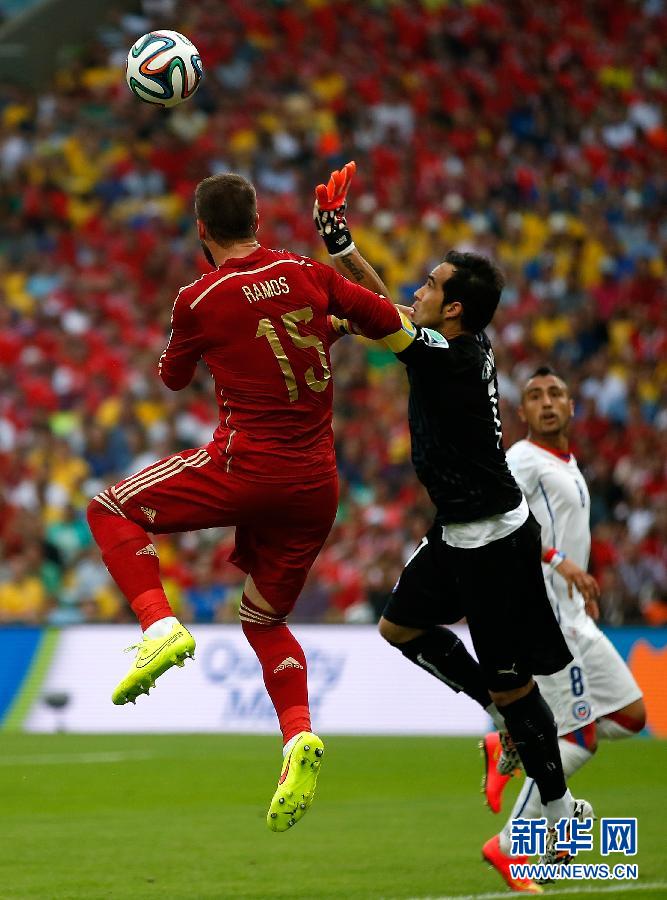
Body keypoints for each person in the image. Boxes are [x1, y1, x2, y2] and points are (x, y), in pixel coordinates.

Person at [86, 172, 414, 832]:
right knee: (262, 620)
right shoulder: (308, 276)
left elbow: (173, 378)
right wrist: (337, 289)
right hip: (316, 486)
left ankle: (158, 626)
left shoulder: (199, 298)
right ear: (259, 221)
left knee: (109, 507)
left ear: (201, 231)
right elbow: (395, 324)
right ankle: (297, 738)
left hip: (247, 465)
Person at [313, 162, 592, 883]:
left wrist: (329, 274)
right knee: (399, 629)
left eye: (430, 286)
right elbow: (392, 319)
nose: (417, 290)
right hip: (454, 532)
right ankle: (497, 721)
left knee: (515, 686)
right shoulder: (448, 346)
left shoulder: (453, 357)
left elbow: (385, 321)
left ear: (455, 311)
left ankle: (559, 817)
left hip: (495, 542)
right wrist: (340, 246)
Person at [479, 367, 645, 892]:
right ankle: (510, 846)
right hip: (547, 615)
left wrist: (576, 583)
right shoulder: (521, 460)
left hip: (573, 611)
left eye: (556, 394)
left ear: (573, 406)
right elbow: (500, 519)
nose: (547, 402)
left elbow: (567, 531)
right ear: (521, 413)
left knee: (633, 716)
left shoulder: (568, 465)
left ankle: (515, 742)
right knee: (579, 735)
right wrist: (558, 563)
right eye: (534, 396)